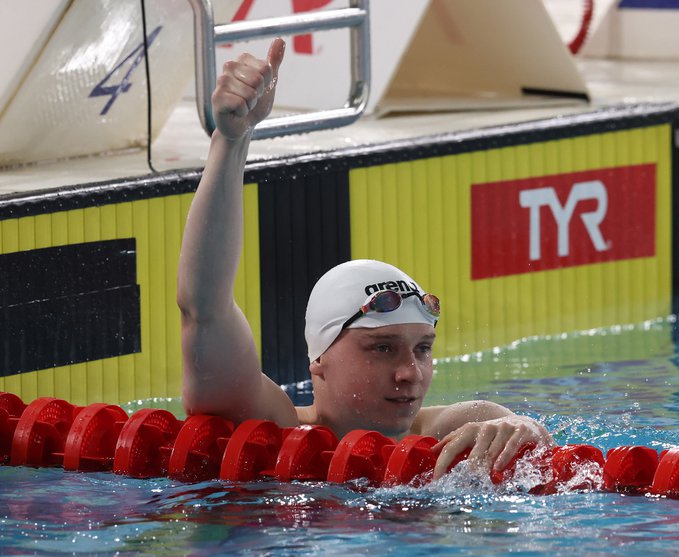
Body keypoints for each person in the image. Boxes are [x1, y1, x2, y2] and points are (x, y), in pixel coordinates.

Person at [177, 38, 553, 480]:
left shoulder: (454, 431)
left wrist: (525, 426)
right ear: (319, 359)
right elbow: (204, 308)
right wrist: (231, 140)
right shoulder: (267, 427)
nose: (410, 373)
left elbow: (512, 429)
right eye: (382, 348)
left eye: (423, 348)